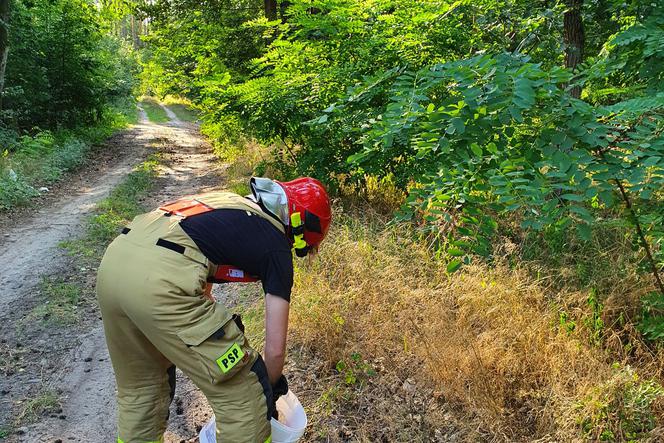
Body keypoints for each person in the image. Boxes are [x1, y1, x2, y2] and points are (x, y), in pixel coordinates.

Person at [96, 177, 332, 443]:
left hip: (115, 265)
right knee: (246, 393)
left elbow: (200, 285)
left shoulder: (230, 206)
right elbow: (275, 350)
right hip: (160, 282)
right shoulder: (276, 245)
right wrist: (269, 389)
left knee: (143, 390)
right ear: (302, 230)